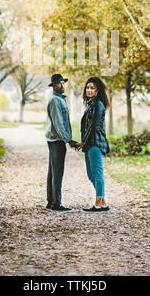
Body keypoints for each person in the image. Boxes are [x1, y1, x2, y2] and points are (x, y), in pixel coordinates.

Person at [45, 73, 79, 212]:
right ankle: (56, 204)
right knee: (57, 172)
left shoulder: (60, 99)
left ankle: (51, 201)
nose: (62, 85)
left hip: (56, 140)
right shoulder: (54, 100)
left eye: (63, 83)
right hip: (57, 140)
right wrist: (68, 140)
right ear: (53, 85)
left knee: (53, 171)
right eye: (59, 83)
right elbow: (59, 123)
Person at [77, 76, 110, 212]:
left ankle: (98, 203)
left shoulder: (98, 105)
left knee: (97, 174)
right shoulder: (92, 104)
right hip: (89, 144)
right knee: (91, 175)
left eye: (92, 88)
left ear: (98, 90)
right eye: (87, 87)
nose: (89, 90)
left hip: (95, 143)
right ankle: (103, 202)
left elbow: (94, 126)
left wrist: (83, 141)